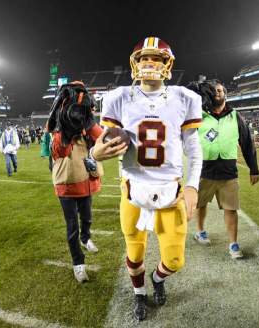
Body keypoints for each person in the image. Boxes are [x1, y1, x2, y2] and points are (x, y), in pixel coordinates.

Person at [93, 36, 203, 321]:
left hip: (171, 189)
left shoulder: (184, 97)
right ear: (135, 63)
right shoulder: (118, 97)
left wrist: (192, 185)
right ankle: (139, 294)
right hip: (133, 187)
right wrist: (96, 151)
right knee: (134, 251)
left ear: (167, 64)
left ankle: (158, 277)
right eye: (143, 57)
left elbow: (194, 147)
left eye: (156, 58)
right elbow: (101, 144)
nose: (149, 62)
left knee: (175, 259)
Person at [190, 80, 259, 259]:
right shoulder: (199, 115)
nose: (217, 93)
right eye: (214, 90)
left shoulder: (235, 116)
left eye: (220, 90)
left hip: (228, 171)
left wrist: (254, 169)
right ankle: (200, 231)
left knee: (231, 208)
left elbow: (247, 143)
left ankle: (233, 244)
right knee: (200, 203)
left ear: (225, 94)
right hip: (204, 169)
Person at [49, 82, 103, 283]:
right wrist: (67, 128)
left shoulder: (88, 125)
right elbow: (60, 151)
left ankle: (86, 238)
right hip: (67, 184)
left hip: (85, 182)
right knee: (72, 225)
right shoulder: (58, 129)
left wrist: (88, 124)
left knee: (87, 218)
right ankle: (78, 263)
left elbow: (103, 140)